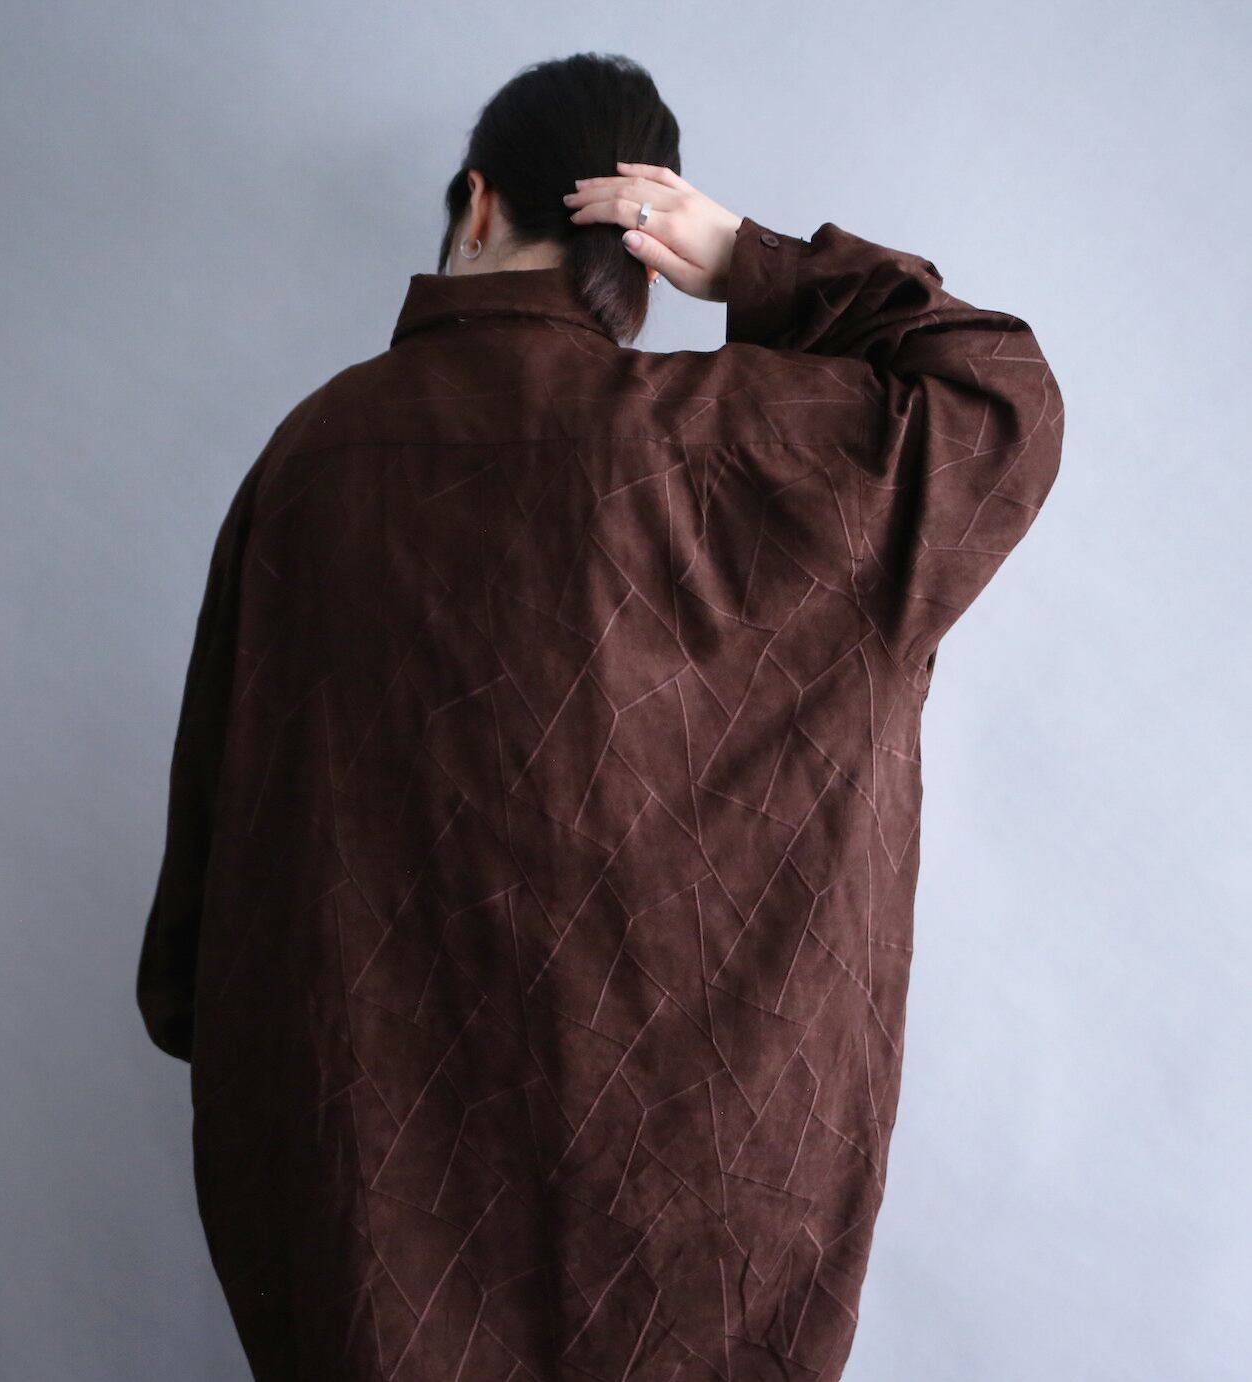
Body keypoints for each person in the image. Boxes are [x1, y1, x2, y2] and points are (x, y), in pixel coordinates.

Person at [137, 50, 1064, 1382]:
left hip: (363, 1209)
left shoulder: (315, 455)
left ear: (475, 204)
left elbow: (203, 892)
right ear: (644, 251)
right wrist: (754, 264)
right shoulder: (748, 450)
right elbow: (996, 394)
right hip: (698, 1233)